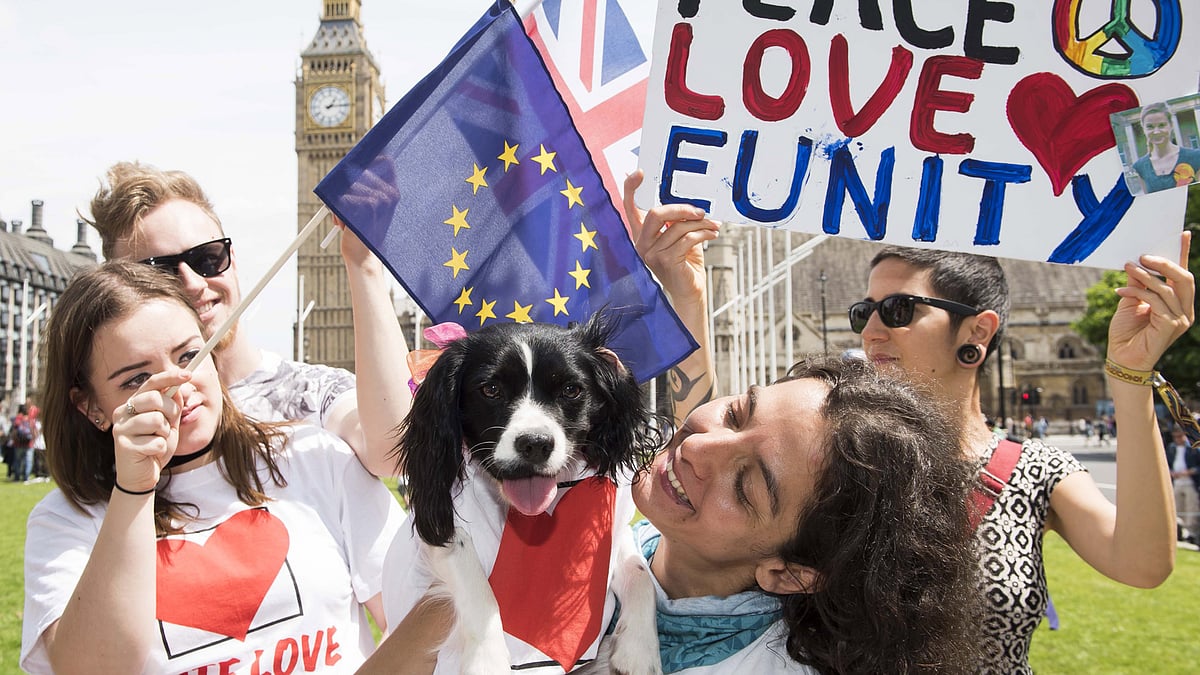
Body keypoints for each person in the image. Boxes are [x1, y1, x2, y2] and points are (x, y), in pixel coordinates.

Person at [621, 169, 1194, 673]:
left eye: (899, 310)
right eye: (863, 311)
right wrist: (687, 292)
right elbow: (721, 447)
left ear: (978, 331)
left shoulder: (1025, 471)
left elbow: (1142, 564)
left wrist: (1130, 377)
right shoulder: (821, 458)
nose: (871, 330)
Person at [361, 357, 983, 674]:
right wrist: (479, 593)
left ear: (789, 573)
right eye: (737, 412)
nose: (700, 447)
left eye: (747, 484)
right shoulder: (600, 530)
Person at [21, 261, 405, 674]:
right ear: (91, 407)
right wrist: (133, 491)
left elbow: (421, 611)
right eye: (136, 379)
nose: (177, 386)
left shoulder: (315, 458)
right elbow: (90, 669)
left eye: (188, 355)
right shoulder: (67, 521)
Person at [85, 161, 411, 476]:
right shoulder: (124, 432)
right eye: (160, 273)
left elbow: (393, 452)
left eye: (207, 258)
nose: (193, 283)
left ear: (232, 259)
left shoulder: (314, 394)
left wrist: (364, 263)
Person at [1130, 103, 1200, 194]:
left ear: (1171, 125)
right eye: (1150, 127)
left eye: (1162, 125)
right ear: (1143, 129)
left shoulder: (1195, 157)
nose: (1156, 132)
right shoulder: (1140, 167)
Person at [1166, 426, 1200, 543]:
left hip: (1190, 481)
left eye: (1180, 436)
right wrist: (1171, 472)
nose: (1178, 439)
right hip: (1177, 481)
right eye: (1175, 437)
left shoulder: (1193, 448)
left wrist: (1190, 471)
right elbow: (1167, 463)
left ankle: (1191, 533)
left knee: (1191, 507)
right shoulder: (1171, 448)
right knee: (1177, 507)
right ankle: (1178, 530)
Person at [10, 403, 35, 482]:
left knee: (17, 461)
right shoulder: (30, 419)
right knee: (28, 461)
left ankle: (17, 477)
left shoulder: (17, 419)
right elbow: (34, 430)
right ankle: (26, 477)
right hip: (29, 443)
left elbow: (13, 431)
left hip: (18, 444)